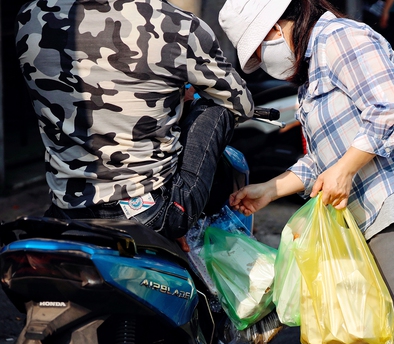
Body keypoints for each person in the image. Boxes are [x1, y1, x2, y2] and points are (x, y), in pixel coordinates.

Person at [218, 0, 394, 344]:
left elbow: (391, 105)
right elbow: (323, 159)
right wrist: (270, 190)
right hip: (369, 213)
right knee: (369, 337)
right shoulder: (313, 66)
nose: (262, 63)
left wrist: (346, 168)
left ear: (272, 30)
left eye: (255, 55)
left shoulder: (343, 38)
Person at [15, 0, 254, 249]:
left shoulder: (31, 15)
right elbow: (241, 104)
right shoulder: (180, 25)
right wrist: (173, 97)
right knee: (218, 108)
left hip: (67, 208)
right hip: (152, 213)